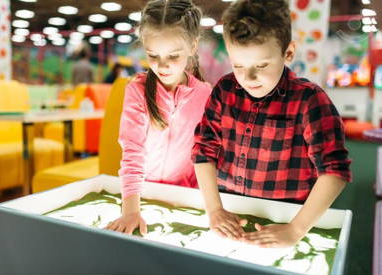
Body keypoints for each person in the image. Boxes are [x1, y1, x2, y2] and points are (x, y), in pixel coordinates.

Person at [192, 0, 352, 248]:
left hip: (290, 217)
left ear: (288, 53)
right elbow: (204, 150)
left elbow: (334, 170)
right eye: (238, 65)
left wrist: (295, 230)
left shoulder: (310, 100)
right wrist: (214, 209)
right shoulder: (224, 89)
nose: (249, 78)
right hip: (229, 210)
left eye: (262, 65)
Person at [105, 0, 211, 235]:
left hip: (188, 197)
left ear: (192, 46)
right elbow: (132, 151)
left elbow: (207, 152)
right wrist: (131, 210)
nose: (162, 66)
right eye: (153, 55)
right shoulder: (137, 90)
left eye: (173, 56)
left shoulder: (205, 94)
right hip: (143, 194)